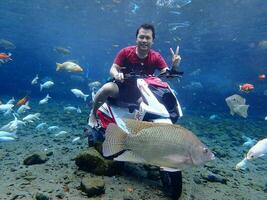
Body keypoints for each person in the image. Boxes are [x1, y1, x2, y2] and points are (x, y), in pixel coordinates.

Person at [88, 23, 181, 127]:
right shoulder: (125, 52)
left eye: (147, 38)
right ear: (136, 39)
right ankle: (93, 113)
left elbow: (167, 75)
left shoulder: (156, 57)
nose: (144, 40)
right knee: (106, 88)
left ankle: (139, 129)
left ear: (152, 41)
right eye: (141, 37)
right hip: (122, 88)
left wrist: (174, 67)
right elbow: (113, 68)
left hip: (142, 92)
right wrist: (116, 74)